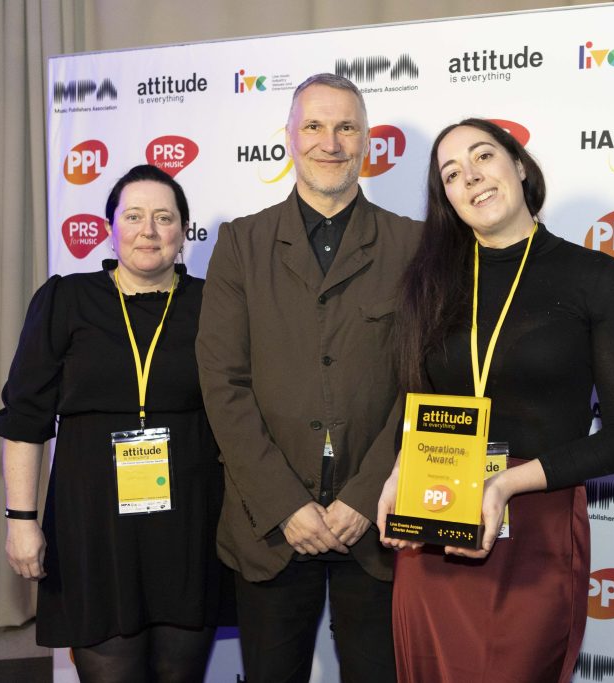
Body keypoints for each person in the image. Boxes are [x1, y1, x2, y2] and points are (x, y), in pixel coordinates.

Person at [377, 119, 614, 682]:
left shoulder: (594, 276)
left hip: (537, 528)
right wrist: (401, 472)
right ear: (447, 199)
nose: (471, 177)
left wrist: (504, 483)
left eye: (483, 156)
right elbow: (423, 404)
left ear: (520, 166)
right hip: (438, 522)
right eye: (451, 174)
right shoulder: (429, 283)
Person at [196, 73, 421, 683]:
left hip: (377, 521)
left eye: (346, 127)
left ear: (368, 142)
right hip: (270, 526)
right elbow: (222, 383)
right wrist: (285, 503)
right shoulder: (241, 244)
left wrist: (364, 493)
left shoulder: (414, 244)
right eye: (314, 126)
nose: (331, 141)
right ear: (289, 139)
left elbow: (423, 385)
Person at [0, 164, 231, 682]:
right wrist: (20, 520)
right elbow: (26, 418)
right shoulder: (66, 299)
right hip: (91, 524)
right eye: (134, 216)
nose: (149, 230)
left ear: (183, 233)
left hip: (189, 522)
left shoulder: (214, 303)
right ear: (109, 228)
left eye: (164, 217)